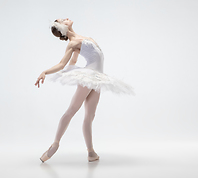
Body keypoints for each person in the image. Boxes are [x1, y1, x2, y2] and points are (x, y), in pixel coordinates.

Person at [35, 18, 134, 163]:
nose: (65, 19)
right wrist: (45, 71)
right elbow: (62, 64)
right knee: (72, 110)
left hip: (98, 78)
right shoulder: (73, 43)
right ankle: (55, 144)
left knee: (90, 116)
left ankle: (91, 152)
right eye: (62, 20)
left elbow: (74, 61)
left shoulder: (81, 39)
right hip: (89, 77)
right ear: (62, 27)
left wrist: (73, 66)